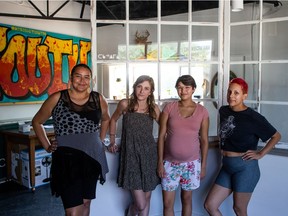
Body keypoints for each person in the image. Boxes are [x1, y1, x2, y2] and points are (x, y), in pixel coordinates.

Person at [32, 63, 110, 216]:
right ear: (71, 78)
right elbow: (37, 122)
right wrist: (47, 146)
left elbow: (106, 119)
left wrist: (99, 140)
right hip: (67, 161)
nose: (82, 81)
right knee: (73, 211)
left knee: (86, 204)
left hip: (92, 157)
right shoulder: (57, 98)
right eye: (78, 76)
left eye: (86, 77)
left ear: (91, 80)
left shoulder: (97, 98)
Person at [204, 78, 281, 216]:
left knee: (239, 209)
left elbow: (276, 136)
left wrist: (261, 153)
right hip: (226, 166)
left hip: (245, 168)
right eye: (229, 92)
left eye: (236, 93)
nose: (231, 96)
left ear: (244, 95)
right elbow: (227, 134)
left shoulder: (253, 118)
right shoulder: (223, 111)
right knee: (210, 205)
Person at [108, 75, 161, 216]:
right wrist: (112, 140)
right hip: (131, 156)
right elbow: (113, 120)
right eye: (139, 86)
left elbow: (165, 130)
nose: (142, 91)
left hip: (149, 156)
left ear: (151, 92)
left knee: (147, 198)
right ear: (134, 87)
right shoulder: (126, 104)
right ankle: (129, 212)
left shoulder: (153, 108)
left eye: (146, 88)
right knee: (140, 204)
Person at [157, 75, 209, 216]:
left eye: (186, 87)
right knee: (167, 203)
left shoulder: (202, 111)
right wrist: (159, 163)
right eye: (179, 87)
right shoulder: (169, 108)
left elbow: (204, 141)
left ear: (193, 89)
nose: (183, 91)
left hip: (192, 164)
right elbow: (161, 136)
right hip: (169, 163)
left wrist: (203, 166)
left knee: (187, 199)